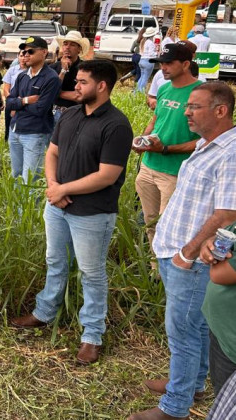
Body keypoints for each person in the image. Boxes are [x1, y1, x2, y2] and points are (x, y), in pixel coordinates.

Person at [10, 60, 133, 365]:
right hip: (57, 206)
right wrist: (54, 186)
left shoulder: (116, 125)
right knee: (55, 261)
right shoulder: (70, 114)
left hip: (92, 213)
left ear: (101, 86)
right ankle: (45, 312)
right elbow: (52, 152)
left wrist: (64, 189)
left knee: (91, 273)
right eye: (76, 81)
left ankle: (92, 334)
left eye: (82, 82)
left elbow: (107, 175)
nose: (75, 86)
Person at [129, 82, 236, 420]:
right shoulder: (207, 144)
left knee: (183, 331)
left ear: (221, 110)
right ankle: (192, 383)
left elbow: (227, 213)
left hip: (189, 258)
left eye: (194, 107)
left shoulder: (230, 153)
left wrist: (188, 253)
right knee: (196, 326)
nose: (186, 112)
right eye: (187, 106)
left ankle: (175, 407)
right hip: (175, 249)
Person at [133, 43, 202, 251]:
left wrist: (166, 149)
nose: (163, 67)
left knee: (170, 227)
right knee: (150, 222)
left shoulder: (201, 93)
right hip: (148, 167)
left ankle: (170, 264)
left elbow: (205, 140)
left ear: (186, 64)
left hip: (175, 173)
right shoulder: (164, 89)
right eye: (161, 63)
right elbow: (155, 121)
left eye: (169, 63)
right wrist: (143, 140)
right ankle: (155, 266)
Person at [5, 37, 61, 181]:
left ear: (44, 52)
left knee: (30, 178)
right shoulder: (22, 76)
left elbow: (40, 109)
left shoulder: (51, 78)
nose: (26, 55)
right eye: (24, 52)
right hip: (15, 130)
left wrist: (18, 104)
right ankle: (17, 198)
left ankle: (29, 198)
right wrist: (25, 100)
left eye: (31, 51)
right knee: (16, 174)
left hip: (34, 134)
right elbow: (9, 103)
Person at [199, 222, 236, 395]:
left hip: (232, 343)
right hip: (222, 329)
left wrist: (216, 257)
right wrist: (211, 243)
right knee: (221, 394)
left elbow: (219, 274)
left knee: (226, 396)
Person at [51, 30, 90, 122]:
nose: (67, 47)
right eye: (65, 44)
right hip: (53, 113)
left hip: (75, 114)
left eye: (72, 45)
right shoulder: (53, 67)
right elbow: (46, 92)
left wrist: (55, 93)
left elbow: (80, 95)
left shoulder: (86, 68)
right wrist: (63, 71)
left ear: (79, 49)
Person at [2, 53, 29, 141]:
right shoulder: (12, 70)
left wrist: (19, 103)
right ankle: (7, 142)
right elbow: (6, 89)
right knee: (8, 125)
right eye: (21, 56)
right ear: (18, 57)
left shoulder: (30, 71)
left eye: (25, 56)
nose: (23, 58)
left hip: (24, 102)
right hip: (11, 101)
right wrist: (13, 103)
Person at [137, 27, 159, 93]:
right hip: (148, 61)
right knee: (145, 78)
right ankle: (141, 91)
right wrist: (157, 53)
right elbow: (151, 53)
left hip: (142, 60)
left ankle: (137, 91)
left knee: (142, 77)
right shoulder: (150, 43)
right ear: (153, 34)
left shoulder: (144, 41)